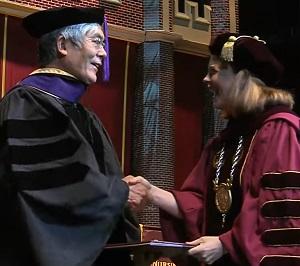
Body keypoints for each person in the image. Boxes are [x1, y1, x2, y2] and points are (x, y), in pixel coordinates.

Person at [125, 32, 300, 266]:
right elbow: (202, 207)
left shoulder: (279, 130)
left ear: (241, 78)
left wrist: (225, 243)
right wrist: (151, 192)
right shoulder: (224, 142)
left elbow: (278, 216)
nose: (205, 80)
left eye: (214, 71)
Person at [0, 7, 140, 266]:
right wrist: (119, 193)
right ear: (63, 45)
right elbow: (53, 184)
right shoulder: (27, 103)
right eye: (97, 41)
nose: (104, 52)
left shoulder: (85, 115)